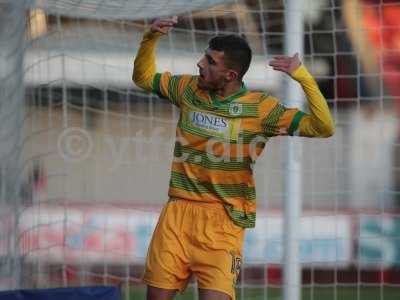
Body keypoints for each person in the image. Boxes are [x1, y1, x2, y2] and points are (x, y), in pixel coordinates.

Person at [133, 16, 335, 300]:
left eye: (210, 62)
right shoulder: (188, 89)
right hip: (177, 214)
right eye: (204, 57)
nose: (200, 64)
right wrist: (150, 38)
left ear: (230, 75)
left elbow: (323, 127)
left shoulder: (261, 109)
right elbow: (142, 78)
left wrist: (302, 76)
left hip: (223, 221)